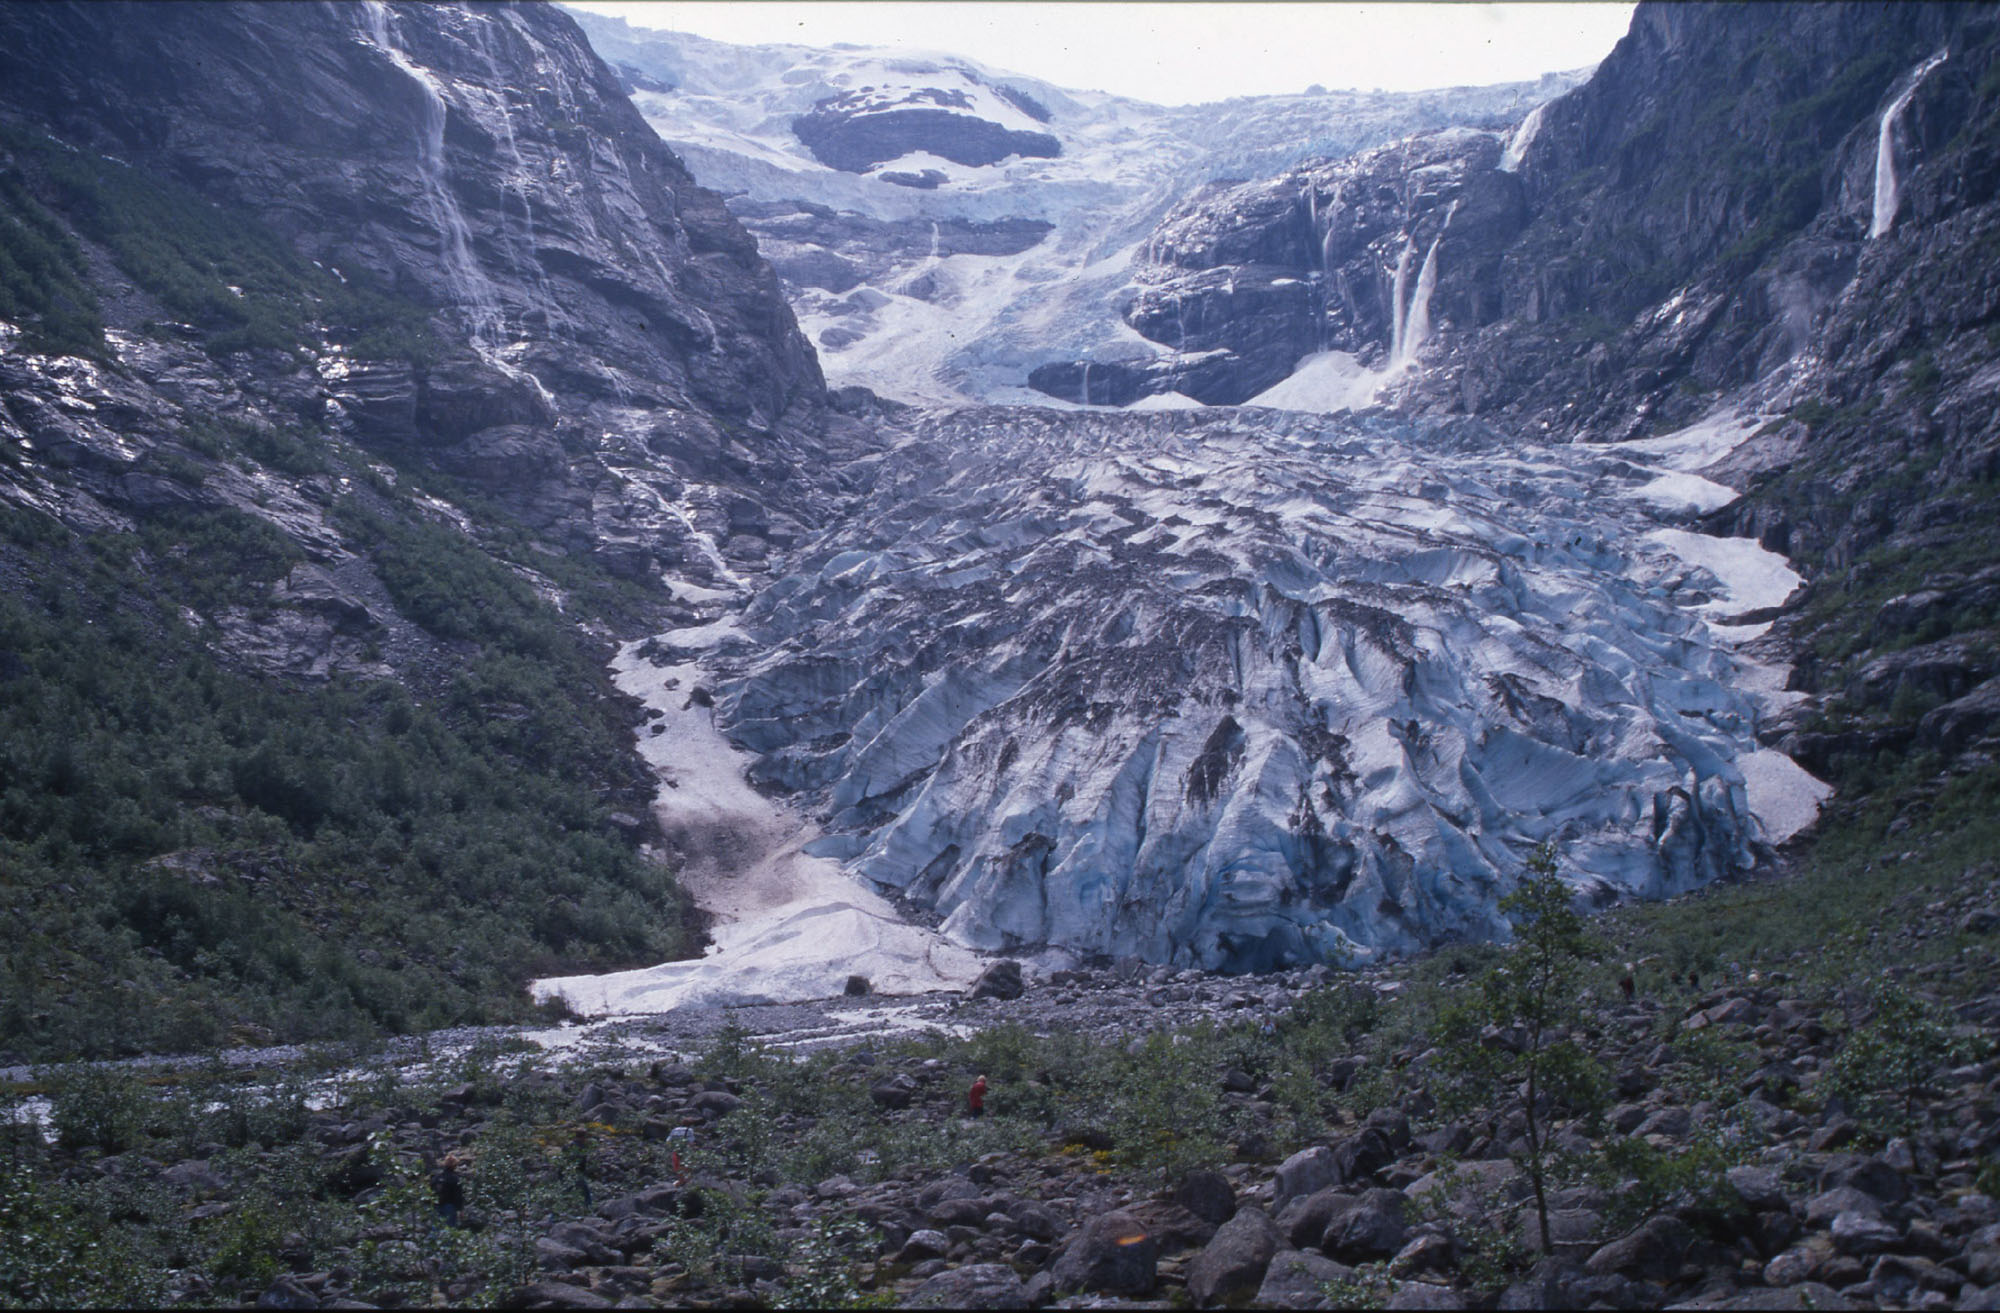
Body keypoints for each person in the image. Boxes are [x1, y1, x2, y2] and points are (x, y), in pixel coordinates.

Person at [432, 1154, 466, 1228]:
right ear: (454, 1165)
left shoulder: (437, 1177)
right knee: (450, 1229)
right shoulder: (455, 1178)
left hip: (436, 1205)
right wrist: (460, 1209)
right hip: (449, 1206)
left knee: (436, 1228)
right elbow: (458, 1195)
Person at [566, 1128, 592, 1207]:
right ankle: (588, 1208)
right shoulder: (579, 1146)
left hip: (567, 1172)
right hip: (576, 1172)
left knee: (567, 1190)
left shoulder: (569, 1145)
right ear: (583, 1137)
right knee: (585, 1191)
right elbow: (581, 1161)